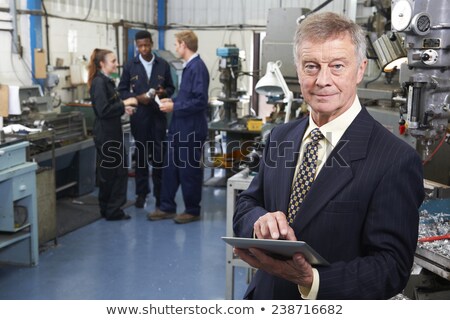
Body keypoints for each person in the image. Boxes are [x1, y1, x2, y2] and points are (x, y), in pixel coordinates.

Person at [233, 12, 425, 299]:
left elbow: (392, 267)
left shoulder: (394, 159)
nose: (323, 80)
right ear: (298, 69)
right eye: (311, 66)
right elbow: (248, 203)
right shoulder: (281, 137)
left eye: (337, 66)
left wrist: (312, 279)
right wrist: (259, 221)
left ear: (360, 70)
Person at [147, 30, 209, 224]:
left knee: (188, 170)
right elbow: (187, 97)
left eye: (176, 44)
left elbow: (200, 101)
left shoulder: (197, 67)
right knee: (171, 168)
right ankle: (167, 206)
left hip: (190, 129)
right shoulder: (188, 67)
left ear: (183, 45)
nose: (175, 48)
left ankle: (192, 210)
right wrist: (170, 100)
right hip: (179, 128)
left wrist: (175, 106)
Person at [118, 30, 175, 209]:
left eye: (147, 45)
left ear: (151, 44)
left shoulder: (163, 65)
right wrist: (137, 98)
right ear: (137, 46)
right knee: (141, 157)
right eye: (140, 46)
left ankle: (160, 195)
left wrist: (163, 92)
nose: (144, 49)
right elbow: (122, 91)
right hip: (140, 118)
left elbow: (171, 88)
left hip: (158, 117)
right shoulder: (130, 66)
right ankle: (141, 194)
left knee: (159, 158)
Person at [88, 48, 137, 220]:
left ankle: (109, 209)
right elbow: (103, 110)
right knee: (114, 173)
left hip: (111, 132)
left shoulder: (107, 81)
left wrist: (124, 109)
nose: (116, 64)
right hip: (106, 134)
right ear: (102, 63)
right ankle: (112, 210)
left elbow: (110, 108)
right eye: (113, 61)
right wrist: (125, 103)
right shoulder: (99, 83)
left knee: (113, 172)